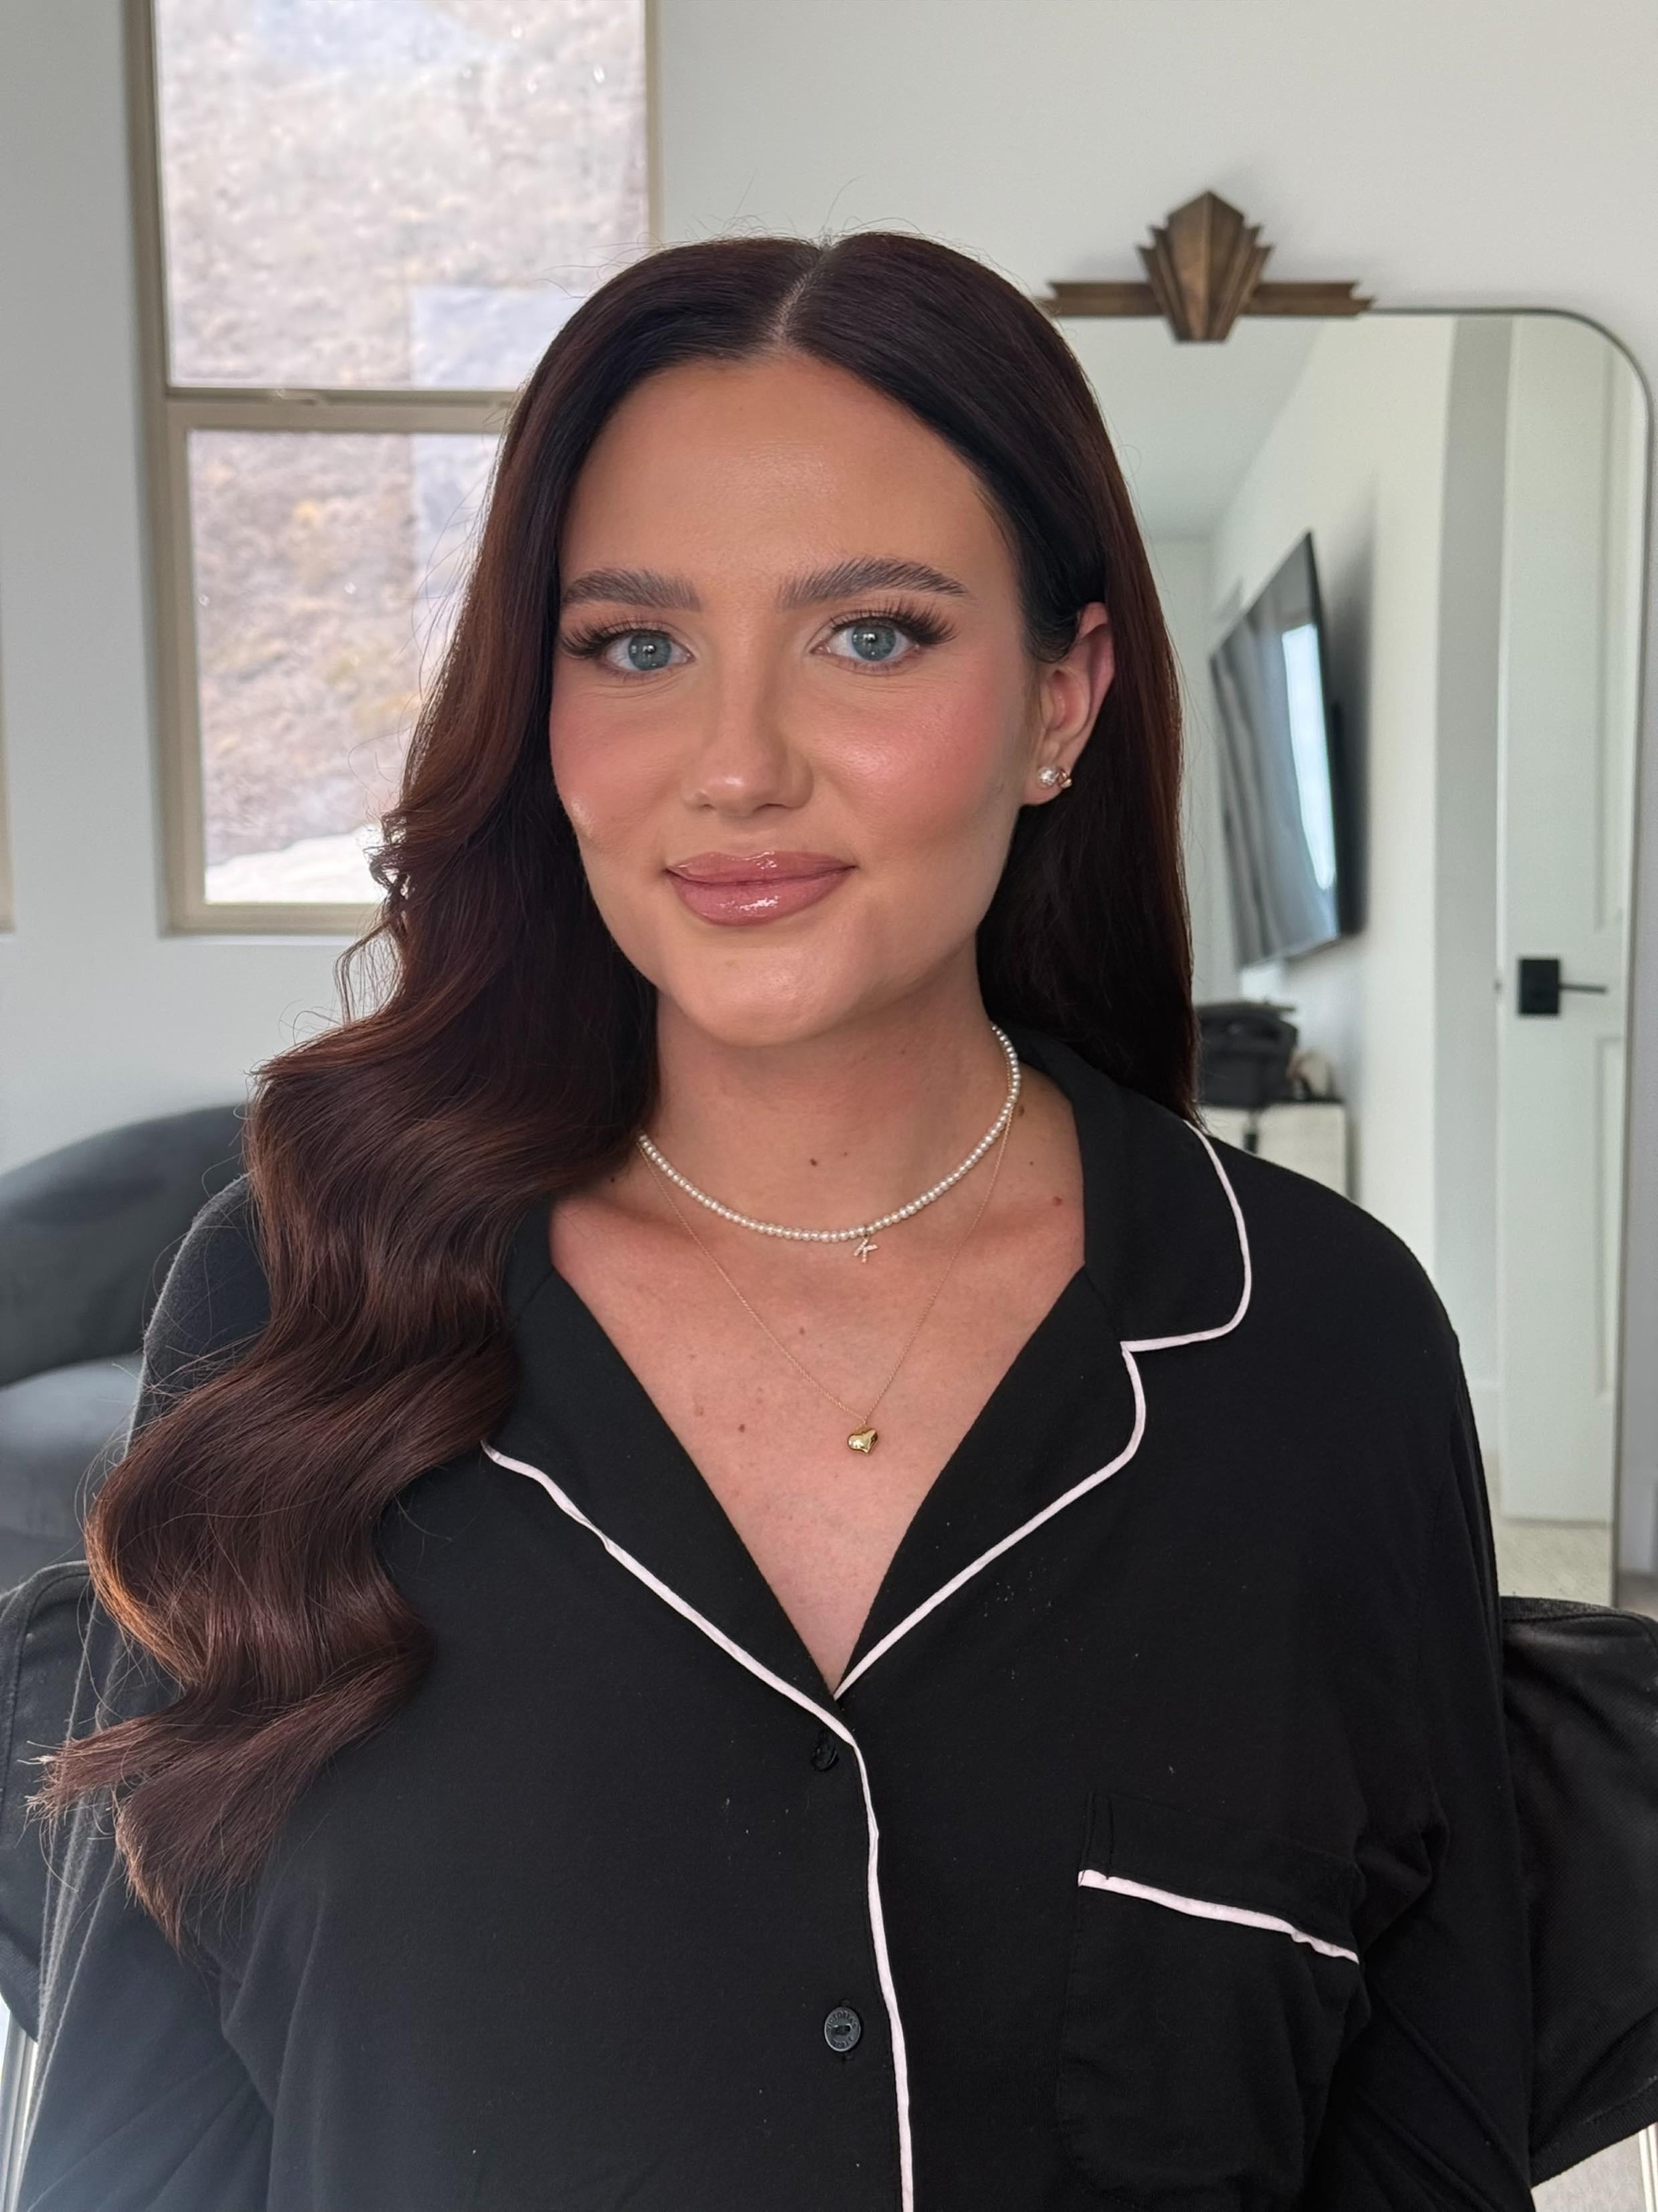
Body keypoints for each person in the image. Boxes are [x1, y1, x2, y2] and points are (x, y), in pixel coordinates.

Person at [14, 231, 1532, 2211]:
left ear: (1062, 700)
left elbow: (1427, 2134)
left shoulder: (1320, 1346)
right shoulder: (300, 1297)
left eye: (873, 634)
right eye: (635, 646)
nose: (736, 766)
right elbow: (132, 2140)